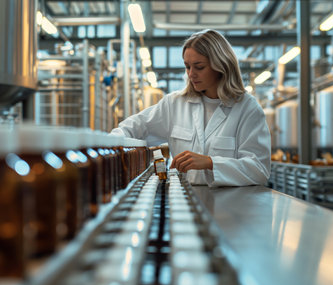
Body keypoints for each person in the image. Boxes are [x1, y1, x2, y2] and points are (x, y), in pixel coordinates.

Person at [111, 29, 271, 187]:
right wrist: (108, 143)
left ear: (221, 66)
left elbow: (259, 170)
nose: (191, 74)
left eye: (199, 67)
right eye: (187, 67)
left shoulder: (246, 108)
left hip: (230, 204)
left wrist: (210, 163)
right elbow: (134, 127)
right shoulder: (175, 104)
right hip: (185, 202)